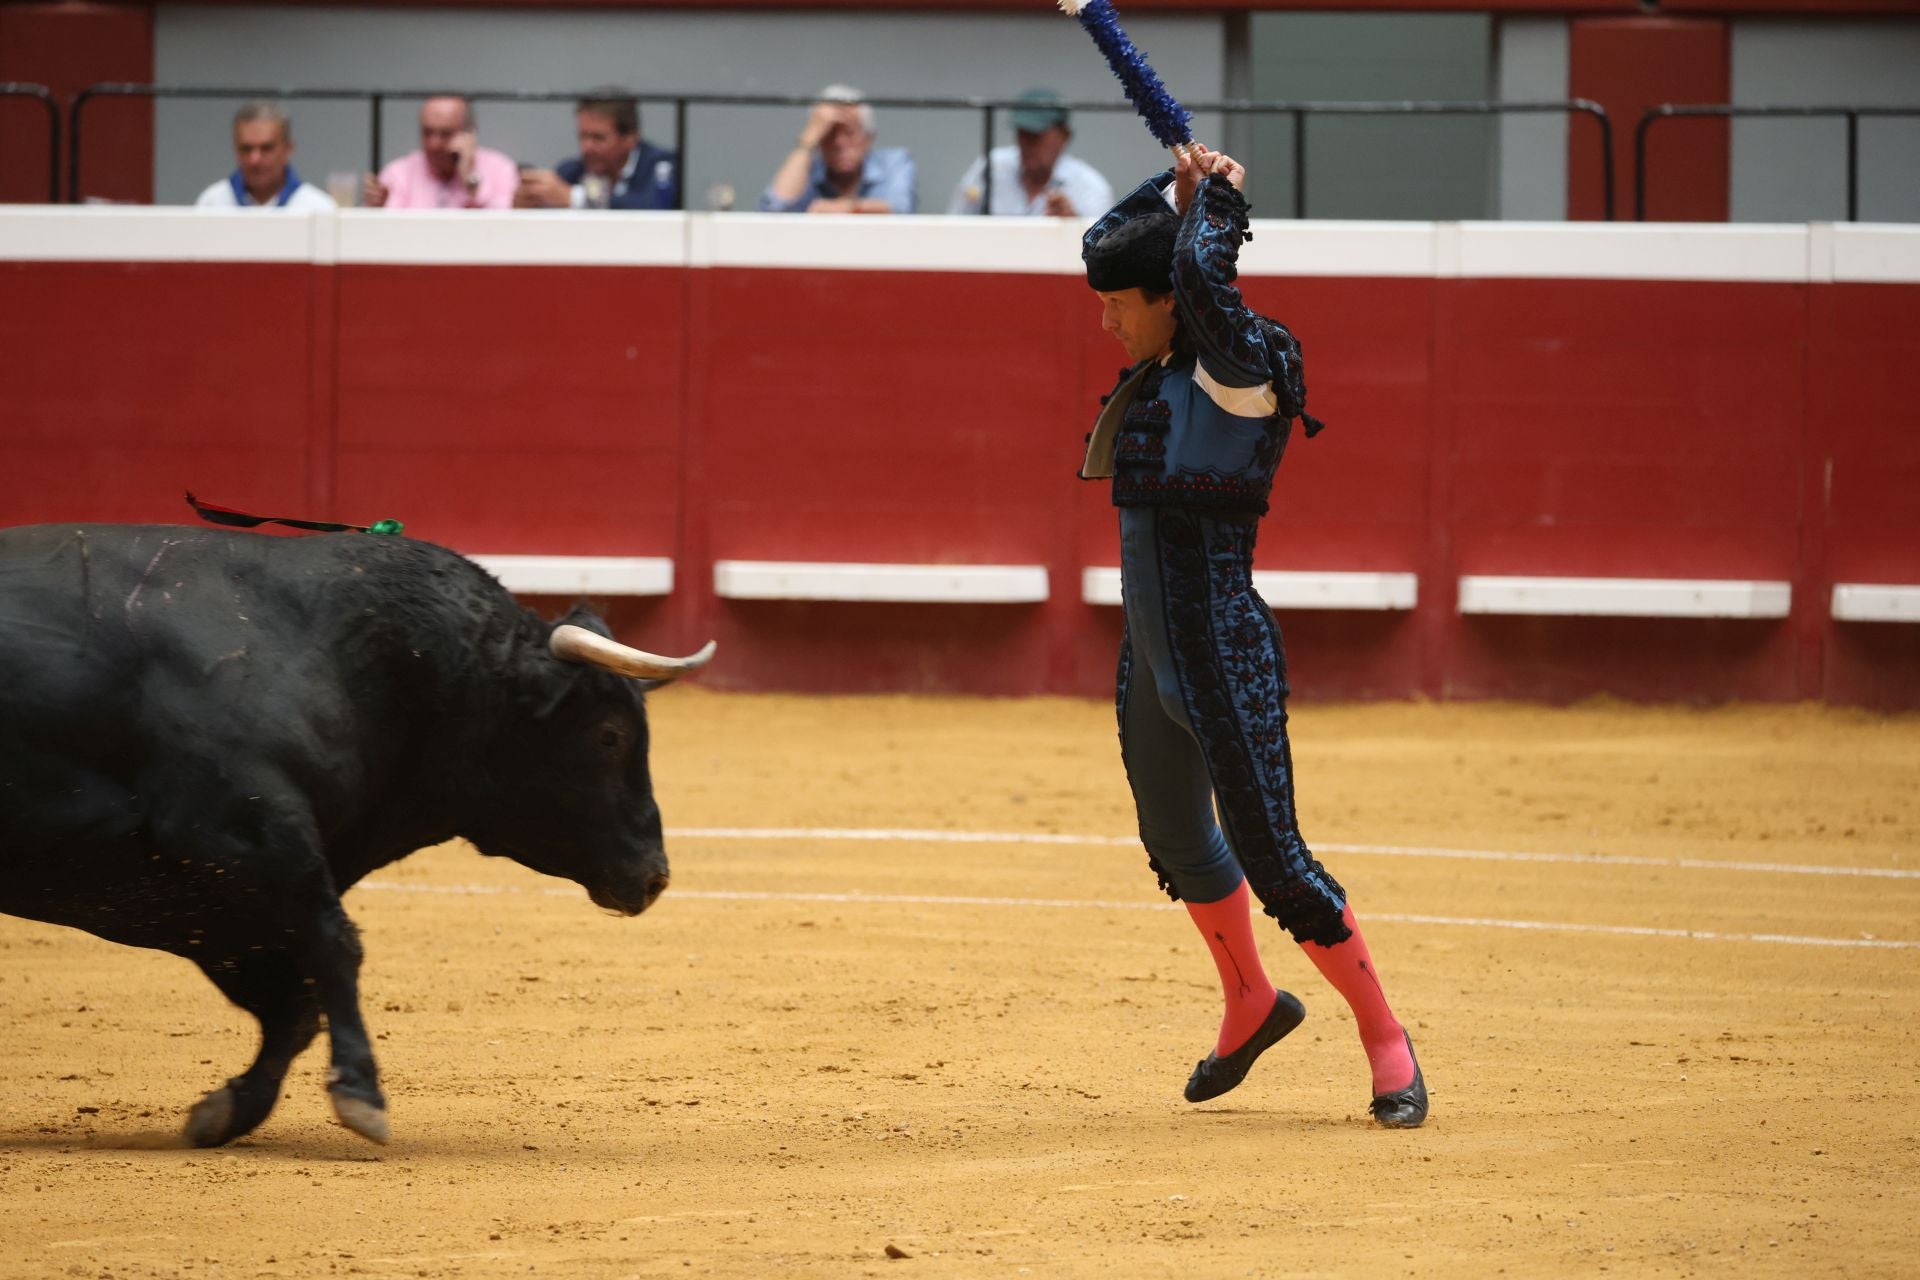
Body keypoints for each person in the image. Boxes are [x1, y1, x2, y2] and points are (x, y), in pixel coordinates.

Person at [1077, 144, 1427, 1128]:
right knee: (1175, 837)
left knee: (1275, 858)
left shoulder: (1246, 363)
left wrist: (1218, 201)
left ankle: (1385, 1037)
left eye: (1119, 304)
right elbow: (1143, 248)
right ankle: (1250, 999)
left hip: (1222, 651)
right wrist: (1177, 189)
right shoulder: (1174, 364)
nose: (1107, 321)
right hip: (1152, 654)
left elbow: (1200, 272)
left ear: (1169, 299)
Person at [948, 88, 1112, 218]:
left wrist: (1074, 226)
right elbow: (956, 226)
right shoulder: (990, 168)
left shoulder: (1090, 188)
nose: (1027, 144)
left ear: (1064, 136)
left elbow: (1103, 247)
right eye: (1022, 133)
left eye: (1036, 135)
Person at [513, 90, 679, 211]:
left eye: (598, 138)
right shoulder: (572, 171)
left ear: (630, 138)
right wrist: (528, 205)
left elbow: (653, 206)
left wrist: (575, 199)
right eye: (583, 136)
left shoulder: (661, 165)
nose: (587, 147)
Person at [760, 86, 914, 214]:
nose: (839, 142)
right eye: (829, 133)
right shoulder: (807, 173)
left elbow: (901, 208)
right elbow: (775, 207)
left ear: (868, 137)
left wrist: (847, 208)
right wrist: (808, 139)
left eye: (849, 132)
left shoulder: (894, 162)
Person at [363, 96, 517, 211]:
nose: (433, 144)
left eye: (445, 134)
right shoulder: (398, 173)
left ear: (470, 133)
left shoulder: (500, 170)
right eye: (427, 132)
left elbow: (504, 228)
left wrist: (470, 179)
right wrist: (377, 210)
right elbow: (389, 232)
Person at [194, 102, 336, 211]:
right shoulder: (211, 204)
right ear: (235, 150)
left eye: (266, 148)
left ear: (288, 149)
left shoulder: (317, 207)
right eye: (246, 148)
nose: (255, 159)